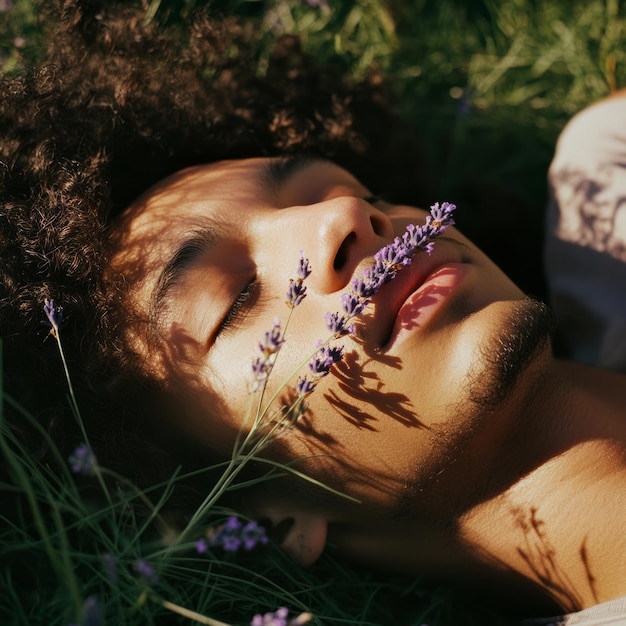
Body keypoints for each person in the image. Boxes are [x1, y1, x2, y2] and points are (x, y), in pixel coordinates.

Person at [1, 2, 625, 625]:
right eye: (237, 299)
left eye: (354, 191)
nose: (344, 219)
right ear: (266, 521)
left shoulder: (604, 177)